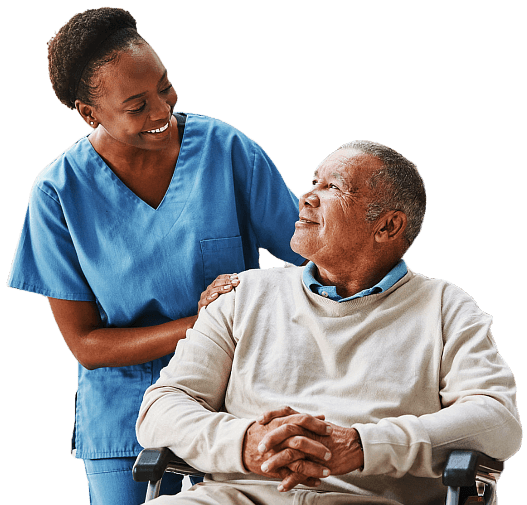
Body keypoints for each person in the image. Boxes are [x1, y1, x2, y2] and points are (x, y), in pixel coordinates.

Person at [6, 7, 305, 505]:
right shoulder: (58, 193)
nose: (162, 111)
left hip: (237, 398)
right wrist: (208, 321)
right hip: (125, 412)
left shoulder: (224, 149)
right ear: (89, 113)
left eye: (166, 87)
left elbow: (312, 257)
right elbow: (86, 343)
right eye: (137, 105)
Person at [136, 140, 522, 505]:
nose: (305, 198)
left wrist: (362, 445)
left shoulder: (444, 307)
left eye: (333, 187)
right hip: (237, 497)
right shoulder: (243, 294)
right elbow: (161, 407)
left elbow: (497, 419)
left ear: (387, 227)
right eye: (313, 182)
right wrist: (245, 441)